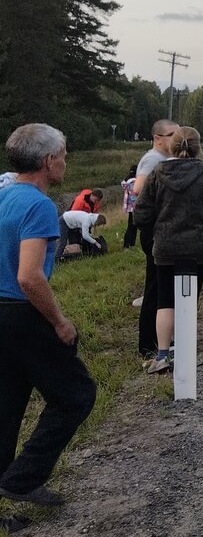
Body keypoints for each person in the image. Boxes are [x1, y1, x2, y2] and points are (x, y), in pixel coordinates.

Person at [0, 124, 96, 507]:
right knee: (76, 394)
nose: (66, 162)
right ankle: (23, 479)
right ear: (47, 161)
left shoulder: (4, 196)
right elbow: (29, 276)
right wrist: (59, 321)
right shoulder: (39, 205)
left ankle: (9, 486)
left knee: (6, 406)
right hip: (23, 314)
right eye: (63, 155)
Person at [133, 127, 203, 374]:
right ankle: (186, 353)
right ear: (198, 146)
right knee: (189, 299)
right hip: (199, 247)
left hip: (165, 246)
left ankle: (162, 354)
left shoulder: (156, 173)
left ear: (171, 147)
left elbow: (140, 214)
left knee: (165, 300)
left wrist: (157, 227)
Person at [133, 119, 179, 360]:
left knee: (161, 286)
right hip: (154, 230)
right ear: (157, 138)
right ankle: (148, 344)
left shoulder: (163, 159)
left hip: (160, 229)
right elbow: (138, 188)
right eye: (171, 134)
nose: (176, 138)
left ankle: (158, 339)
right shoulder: (153, 159)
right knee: (155, 287)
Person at [121, 164, 138, 249]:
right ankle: (127, 245)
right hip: (134, 207)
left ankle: (131, 244)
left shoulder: (127, 182)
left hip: (130, 207)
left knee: (133, 226)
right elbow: (134, 196)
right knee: (131, 226)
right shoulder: (133, 183)